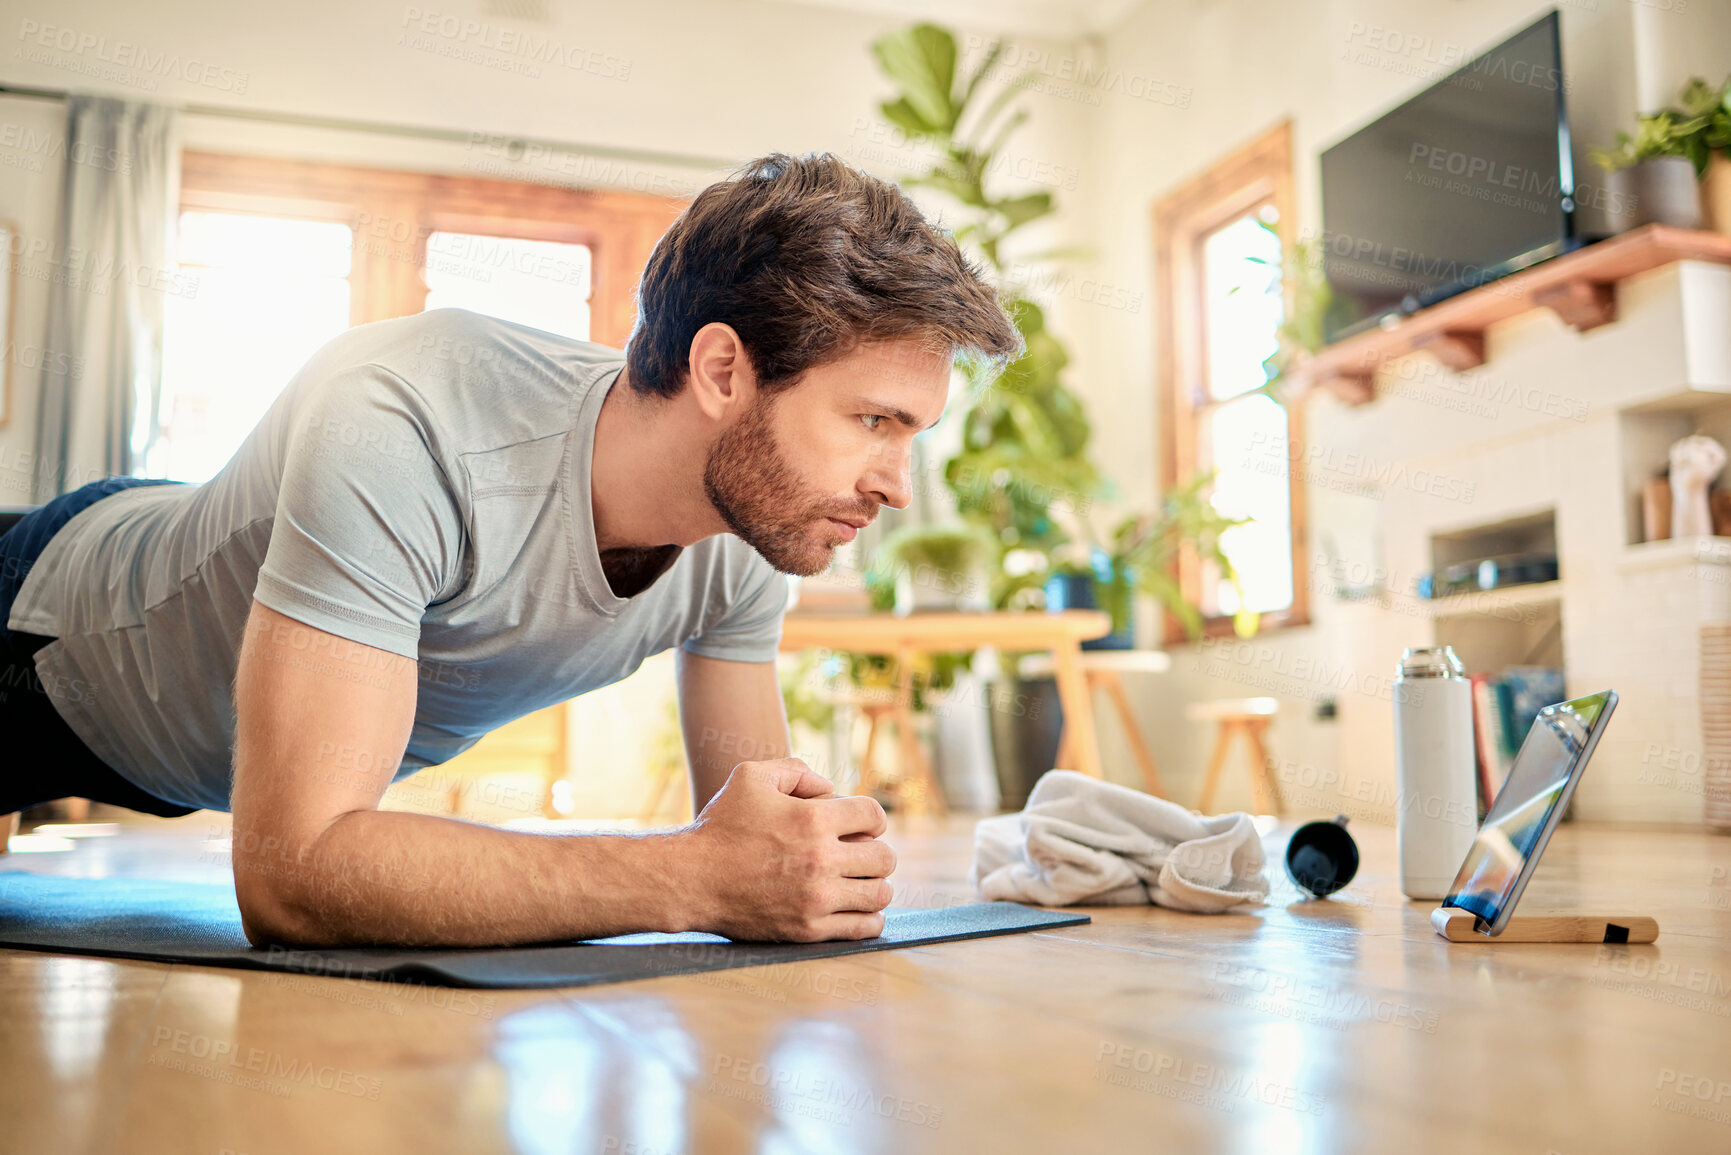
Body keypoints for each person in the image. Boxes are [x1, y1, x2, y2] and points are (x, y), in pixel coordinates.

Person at [0, 151, 1022, 948]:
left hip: (189, 712)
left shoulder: (755, 525)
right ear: (723, 371)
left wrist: (798, 869)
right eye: (874, 423)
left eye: (911, 434)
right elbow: (293, 872)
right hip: (54, 645)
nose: (895, 484)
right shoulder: (405, 415)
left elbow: (752, 835)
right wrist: (686, 874)